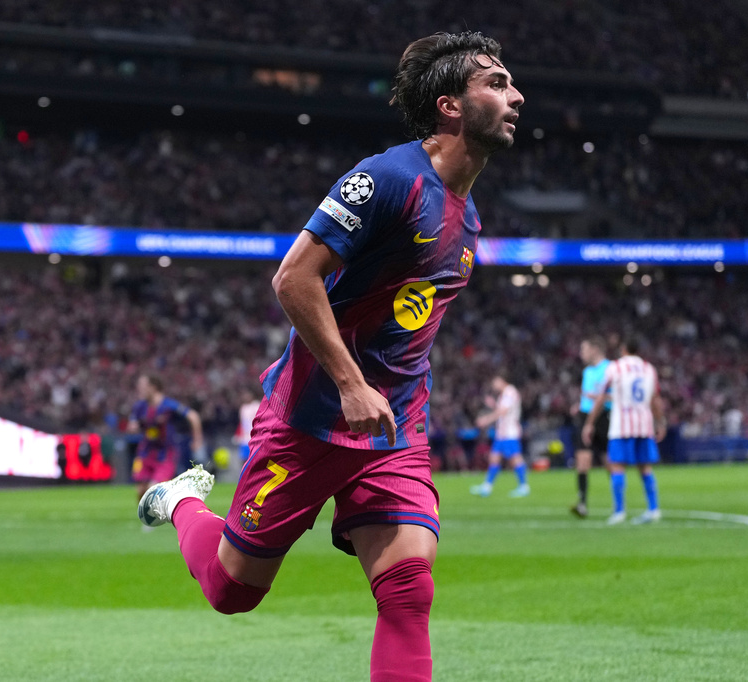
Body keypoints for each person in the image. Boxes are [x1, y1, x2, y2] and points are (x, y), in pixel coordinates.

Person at [137, 31, 523, 682]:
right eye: (496, 82)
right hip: (310, 422)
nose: (516, 95)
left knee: (408, 591)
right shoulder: (390, 180)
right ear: (451, 106)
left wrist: (394, 393)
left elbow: (406, 324)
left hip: (395, 429)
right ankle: (181, 501)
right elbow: (293, 278)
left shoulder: (469, 216)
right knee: (234, 592)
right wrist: (349, 382)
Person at [582, 338, 665, 525]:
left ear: (623, 349)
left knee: (617, 466)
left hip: (621, 425)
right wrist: (660, 423)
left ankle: (619, 512)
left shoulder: (615, 367)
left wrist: (589, 423)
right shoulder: (648, 368)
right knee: (645, 467)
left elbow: (601, 397)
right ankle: (654, 509)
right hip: (644, 424)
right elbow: (655, 399)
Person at [127, 373, 204, 502]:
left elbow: (193, 416)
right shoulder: (140, 406)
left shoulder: (168, 405)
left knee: (154, 488)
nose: (139, 389)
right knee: (140, 491)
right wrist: (132, 427)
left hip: (165, 453)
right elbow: (131, 424)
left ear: (153, 387)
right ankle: (148, 517)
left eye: (142, 386)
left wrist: (197, 440)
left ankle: (158, 514)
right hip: (145, 452)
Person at [571, 336, 611, 517]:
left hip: (605, 417)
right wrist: (580, 405)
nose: (581, 353)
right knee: (582, 460)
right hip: (585, 417)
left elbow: (614, 397)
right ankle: (582, 503)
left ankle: (619, 503)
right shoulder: (587, 372)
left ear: (595, 349)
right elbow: (587, 397)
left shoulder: (611, 369)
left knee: (609, 462)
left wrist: (597, 399)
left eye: (584, 349)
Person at [470, 374, 529, 497]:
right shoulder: (505, 394)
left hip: (509, 432)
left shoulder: (510, 392)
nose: (494, 386)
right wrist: (493, 405)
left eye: (495, 383)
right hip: (502, 432)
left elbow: (503, 411)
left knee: (514, 458)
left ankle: (524, 486)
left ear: (502, 380)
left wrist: (486, 419)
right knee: (494, 457)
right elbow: (503, 409)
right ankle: (487, 487)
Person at [233, 389, 261, 472]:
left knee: (254, 459)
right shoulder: (243, 408)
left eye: (247, 395)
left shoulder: (256, 405)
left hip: (254, 437)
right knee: (243, 459)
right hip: (245, 438)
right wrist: (238, 434)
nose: (245, 397)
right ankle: (244, 476)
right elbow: (242, 423)